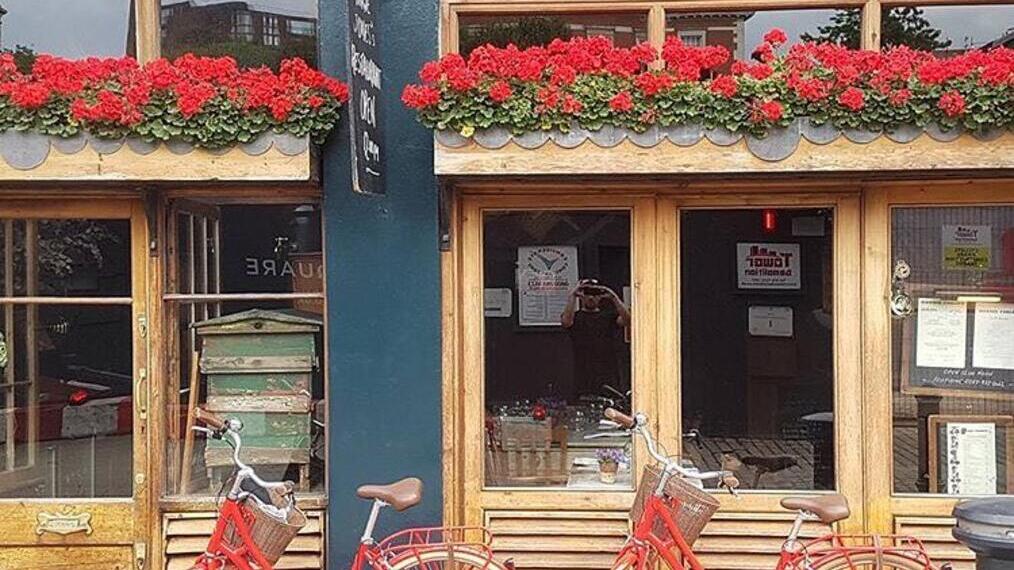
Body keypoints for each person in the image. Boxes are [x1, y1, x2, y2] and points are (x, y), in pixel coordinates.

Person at [561, 279, 631, 399]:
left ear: (600, 297)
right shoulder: (576, 317)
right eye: (587, 294)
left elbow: (627, 320)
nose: (591, 298)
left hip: (607, 370)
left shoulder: (608, 316)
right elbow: (566, 322)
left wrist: (614, 297)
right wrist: (573, 295)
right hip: (583, 370)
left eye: (595, 294)